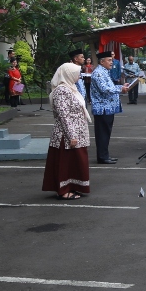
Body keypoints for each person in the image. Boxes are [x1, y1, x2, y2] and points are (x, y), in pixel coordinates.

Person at [42, 62, 92, 200]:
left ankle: (73, 186)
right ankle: (64, 190)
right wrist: (71, 136)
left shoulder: (71, 88)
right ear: (68, 74)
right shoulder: (61, 91)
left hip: (76, 132)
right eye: (76, 73)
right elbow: (64, 115)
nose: (79, 76)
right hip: (66, 134)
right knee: (65, 162)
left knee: (75, 162)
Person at [89, 50, 130, 165]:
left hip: (107, 108)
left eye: (112, 60)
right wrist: (120, 89)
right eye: (109, 60)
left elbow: (109, 86)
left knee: (106, 133)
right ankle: (102, 157)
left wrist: (121, 86)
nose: (112, 62)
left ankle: (105, 155)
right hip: (102, 108)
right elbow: (105, 89)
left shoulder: (104, 71)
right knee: (102, 134)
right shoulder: (98, 73)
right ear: (102, 62)